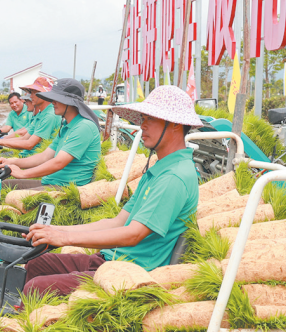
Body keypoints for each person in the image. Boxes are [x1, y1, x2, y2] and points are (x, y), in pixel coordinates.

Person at [21, 85, 203, 296]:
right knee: (37, 264)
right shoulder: (158, 169)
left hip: (127, 273)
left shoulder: (174, 177)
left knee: (36, 287)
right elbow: (117, 222)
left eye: (149, 119)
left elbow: (132, 235)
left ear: (175, 125)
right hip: (111, 259)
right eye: (142, 119)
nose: (142, 126)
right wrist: (58, 231)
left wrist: (65, 238)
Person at [0, 78, 101, 190]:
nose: (53, 102)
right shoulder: (66, 126)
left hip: (67, 188)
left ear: (70, 102)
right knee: (2, 186)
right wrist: (12, 162)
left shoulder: (84, 127)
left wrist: (23, 173)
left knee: (11, 195)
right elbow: (44, 156)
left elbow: (58, 162)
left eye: (57, 99)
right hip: (52, 181)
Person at [0, 78, 62, 154]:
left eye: (33, 93)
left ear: (44, 94)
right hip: (26, 154)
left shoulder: (50, 116)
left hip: (34, 158)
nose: (30, 97)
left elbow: (29, 144)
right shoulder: (41, 114)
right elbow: (24, 138)